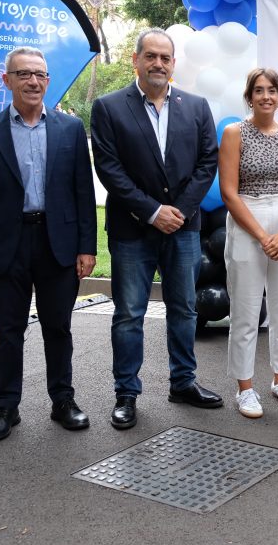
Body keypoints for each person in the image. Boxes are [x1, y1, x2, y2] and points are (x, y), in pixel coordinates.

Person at [90, 28, 221, 430]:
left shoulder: (197, 107)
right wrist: (151, 212)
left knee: (183, 308)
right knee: (130, 313)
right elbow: (109, 168)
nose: (158, 64)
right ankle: (126, 393)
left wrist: (177, 212)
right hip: (133, 230)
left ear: (173, 64)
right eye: (151, 56)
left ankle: (183, 382)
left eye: (165, 58)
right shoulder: (109, 108)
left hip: (182, 229)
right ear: (136, 60)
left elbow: (206, 162)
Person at [0, 46, 97, 442]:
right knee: (9, 330)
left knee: (58, 327)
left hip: (57, 242)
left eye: (39, 74)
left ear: (48, 80)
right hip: (8, 244)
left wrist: (86, 247)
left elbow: (82, 193)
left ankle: (63, 401)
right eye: (23, 74)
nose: (33, 81)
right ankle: (6, 407)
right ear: (6, 80)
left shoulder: (70, 130)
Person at [219, 68, 278, 419]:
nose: (266, 96)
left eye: (272, 90)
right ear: (249, 96)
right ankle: (245, 388)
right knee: (245, 310)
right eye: (259, 90)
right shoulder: (234, 133)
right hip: (247, 218)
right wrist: (261, 236)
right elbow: (228, 191)